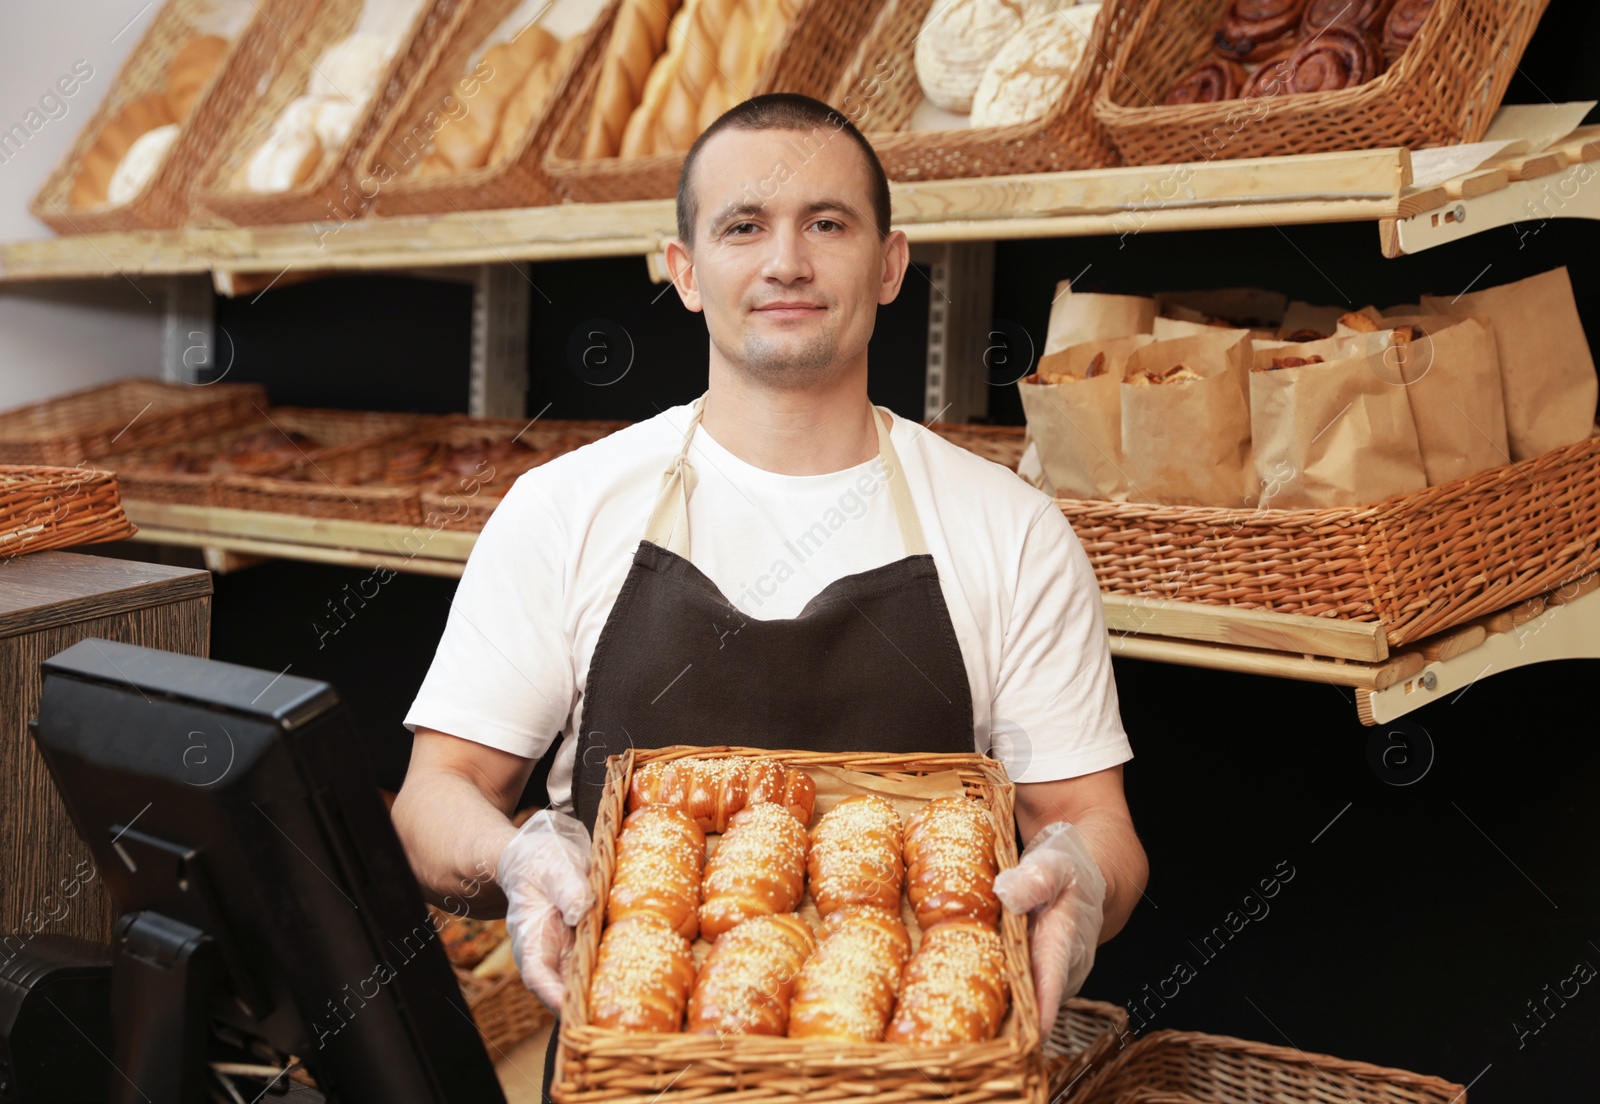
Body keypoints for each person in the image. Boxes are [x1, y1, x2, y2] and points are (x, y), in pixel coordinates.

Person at [392, 92, 1148, 1054]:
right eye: (744, 226)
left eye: (826, 224)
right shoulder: (563, 509)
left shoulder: (1011, 528)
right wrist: (519, 857)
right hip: (635, 1062)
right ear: (686, 272)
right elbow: (433, 797)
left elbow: (1091, 818)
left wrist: (1083, 882)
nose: (786, 261)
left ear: (889, 265)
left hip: (910, 1069)